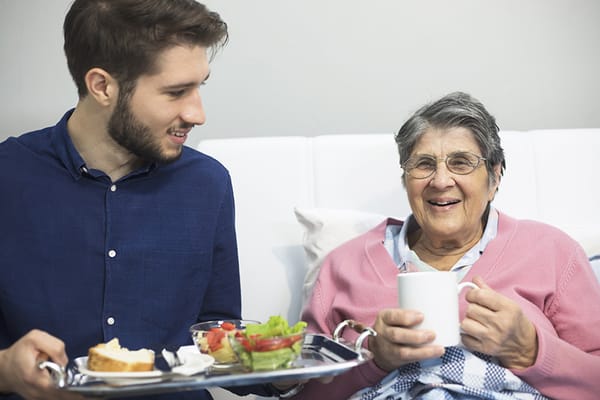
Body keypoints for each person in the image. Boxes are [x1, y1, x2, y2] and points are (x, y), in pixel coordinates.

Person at [0, 1, 246, 399]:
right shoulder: (7, 177)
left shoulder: (208, 183)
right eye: (176, 92)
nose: (197, 113)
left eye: (200, 86)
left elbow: (218, 333)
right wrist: (5, 371)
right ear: (102, 86)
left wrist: (289, 369)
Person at [293, 92, 600, 399]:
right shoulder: (343, 265)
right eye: (424, 164)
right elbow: (303, 393)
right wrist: (375, 359)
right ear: (405, 179)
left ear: (494, 177)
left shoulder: (554, 252)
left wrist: (531, 351)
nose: (441, 181)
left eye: (461, 163)